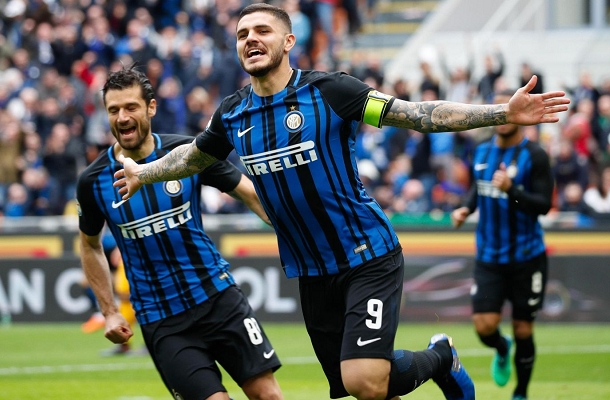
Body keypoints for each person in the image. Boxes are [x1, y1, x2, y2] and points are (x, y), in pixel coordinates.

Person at [113, 4, 570, 400]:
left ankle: (442, 357)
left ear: (289, 41)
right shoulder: (232, 114)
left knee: (364, 380)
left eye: (262, 30)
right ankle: (432, 360)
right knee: (369, 386)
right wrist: (143, 172)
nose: (250, 39)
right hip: (312, 271)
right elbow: (193, 157)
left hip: (366, 255)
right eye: (241, 34)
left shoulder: (332, 92)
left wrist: (502, 112)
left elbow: (417, 115)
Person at [76, 65, 284, 400]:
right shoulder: (93, 180)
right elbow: (90, 245)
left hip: (219, 298)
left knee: (268, 395)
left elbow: (248, 193)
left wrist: (295, 229)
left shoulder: (187, 153)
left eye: (131, 107)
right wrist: (110, 311)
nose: (122, 117)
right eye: (113, 110)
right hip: (162, 321)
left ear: (151, 107)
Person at [450, 89, 556, 400]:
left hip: (527, 256)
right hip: (489, 256)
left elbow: (543, 206)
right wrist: (466, 208)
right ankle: (501, 347)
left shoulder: (535, 156)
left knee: (523, 328)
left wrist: (512, 190)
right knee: (484, 327)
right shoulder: (482, 151)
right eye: (500, 107)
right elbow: (478, 188)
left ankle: (520, 392)